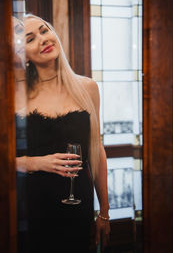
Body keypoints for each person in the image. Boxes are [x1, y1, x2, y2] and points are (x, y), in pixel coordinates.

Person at [16, 14, 110, 252]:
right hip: (32, 207)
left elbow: (96, 150)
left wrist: (104, 213)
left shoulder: (87, 88)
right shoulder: (16, 97)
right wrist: (36, 162)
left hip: (78, 203)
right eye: (30, 39)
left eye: (44, 30)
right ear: (23, 54)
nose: (43, 39)